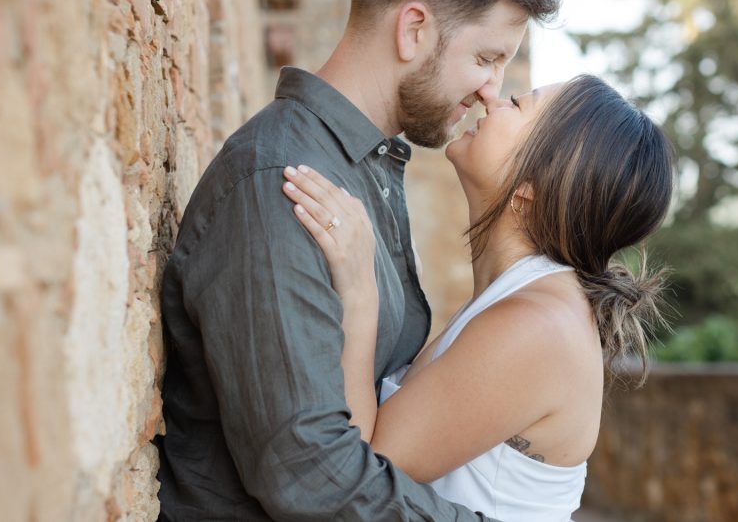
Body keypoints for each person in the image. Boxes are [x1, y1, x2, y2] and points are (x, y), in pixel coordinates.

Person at [155, 0, 560, 520]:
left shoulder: (366, 167)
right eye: (486, 59)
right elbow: (311, 474)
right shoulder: (283, 182)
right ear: (414, 29)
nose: (491, 92)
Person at [281, 74, 674, 521]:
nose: (491, 99)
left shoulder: (537, 326)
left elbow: (358, 476)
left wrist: (359, 290)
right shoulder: (522, 299)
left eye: (517, 105)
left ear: (532, 183)